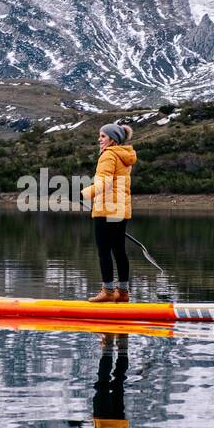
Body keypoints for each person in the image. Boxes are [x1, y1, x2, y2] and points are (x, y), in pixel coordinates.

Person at [81, 122, 136, 303]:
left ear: (112, 139)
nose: (99, 139)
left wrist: (82, 194)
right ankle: (123, 292)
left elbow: (104, 183)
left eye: (103, 136)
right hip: (120, 209)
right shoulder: (124, 156)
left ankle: (108, 291)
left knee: (104, 250)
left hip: (106, 210)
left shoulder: (108, 155)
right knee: (119, 251)